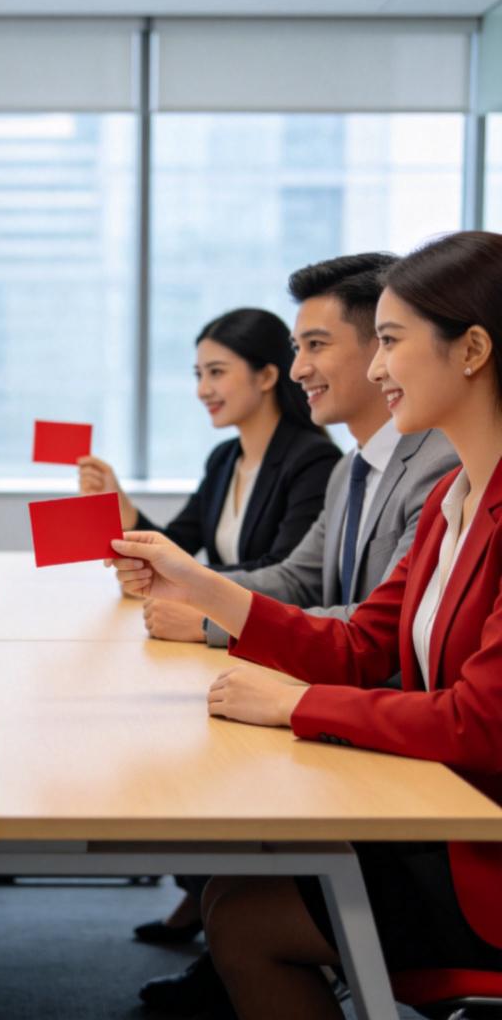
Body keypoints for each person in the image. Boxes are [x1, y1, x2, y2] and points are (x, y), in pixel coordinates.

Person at [110, 230, 502, 1020]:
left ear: (472, 350)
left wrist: (293, 704)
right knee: (233, 894)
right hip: (444, 815)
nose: (380, 366)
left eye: (389, 342)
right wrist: (203, 586)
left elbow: (480, 721)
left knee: (248, 919)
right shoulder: (449, 500)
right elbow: (365, 645)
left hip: (480, 857)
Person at [79, 308, 341, 574]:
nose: (202, 390)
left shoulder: (314, 461)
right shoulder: (223, 459)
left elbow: (282, 574)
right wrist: (119, 505)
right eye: (199, 374)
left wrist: (186, 583)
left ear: (266, 377)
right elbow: (176, 546)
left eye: (216, 372)